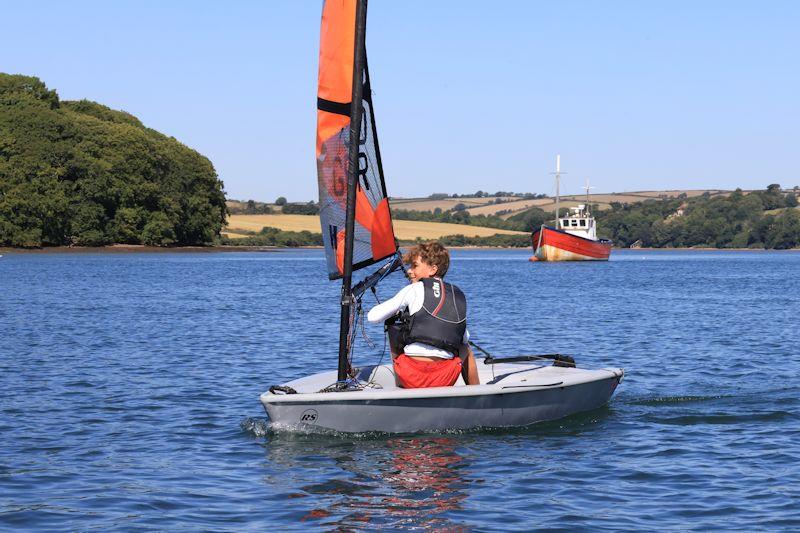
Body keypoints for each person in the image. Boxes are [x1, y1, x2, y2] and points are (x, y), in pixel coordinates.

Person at [367, 242, 480, 388]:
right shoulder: (456, 294)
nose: (409, 271)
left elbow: (373, 317)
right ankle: (476, 391)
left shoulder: (413, 289)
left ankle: (401, 388)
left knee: (394, 326)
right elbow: (464, 338)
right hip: (445, 378)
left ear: (433, 269)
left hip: (411, 376)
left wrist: (397, 314)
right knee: (465, 347)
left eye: (414, 266)